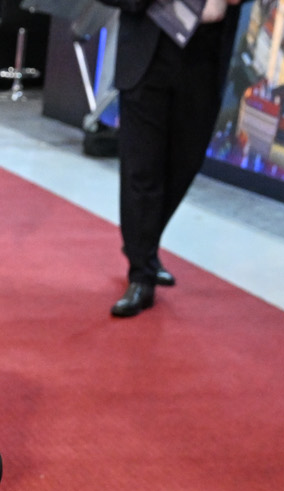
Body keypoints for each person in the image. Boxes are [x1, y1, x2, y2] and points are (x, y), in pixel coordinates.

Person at [109, 0, 246, 315]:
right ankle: (141, 274)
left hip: (206, 51)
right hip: (149, 47)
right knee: (142, 166)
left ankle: (142, 244)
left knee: (186, 161)